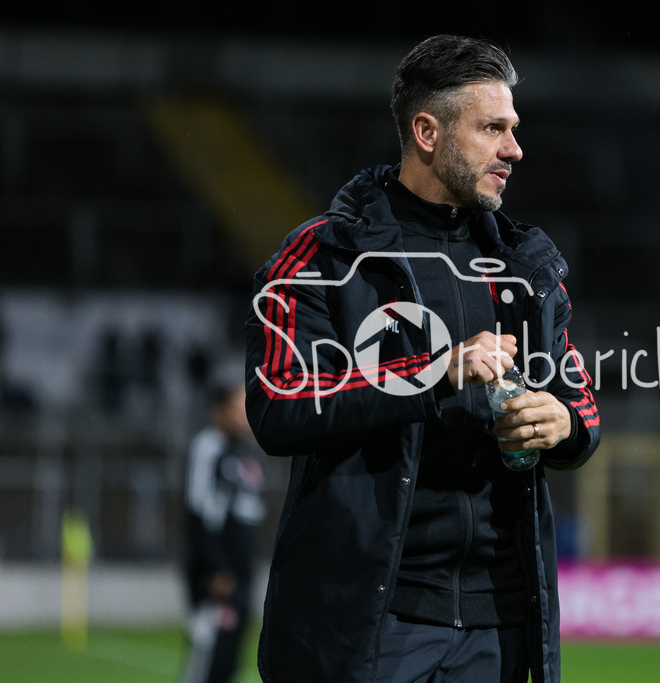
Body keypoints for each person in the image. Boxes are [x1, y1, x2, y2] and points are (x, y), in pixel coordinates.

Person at [245, 34, 600, 682]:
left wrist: (565, 424)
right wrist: (435, 371)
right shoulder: (324, 258)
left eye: (514, 128)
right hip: (371, 625)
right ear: (428, 131)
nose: (514, 149)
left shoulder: (529, 267)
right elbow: (278, 401)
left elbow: (579, 401)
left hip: (498, 624)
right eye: (493, 128)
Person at [181, 371, 266, 683]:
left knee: (229, 662)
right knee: (207, 663)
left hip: (242, 575)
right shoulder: (208, 448)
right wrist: (215, 569)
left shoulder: (245, 452)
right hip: (219, 577)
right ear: (219, 410)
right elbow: (200, 512)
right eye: (238, 405)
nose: (245, 413)